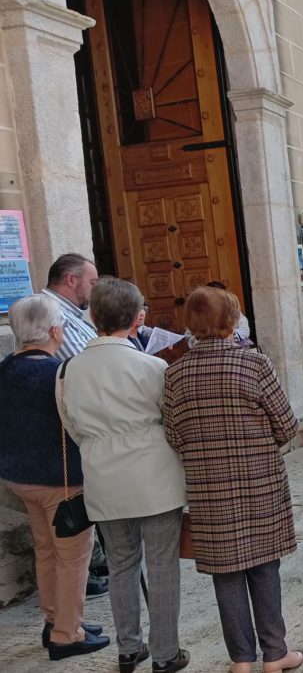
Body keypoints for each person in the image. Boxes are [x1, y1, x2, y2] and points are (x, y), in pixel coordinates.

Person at [164, 287, 303, 673]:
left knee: (225, 573)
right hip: (259, 481)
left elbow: (174, 436)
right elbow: (287, 425)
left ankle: (241, 658)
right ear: (231, 321)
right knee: (264, 567)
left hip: (209, 488)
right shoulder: (254, 364)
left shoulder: (176, 374)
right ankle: (275, 653)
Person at [58, 277, 190, 673]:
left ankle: (129, 648)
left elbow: (73, 427)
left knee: (121, 566)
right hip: (156, 479)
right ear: (137, 318)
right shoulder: (152, 367)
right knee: (163, 565)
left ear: (94, 316)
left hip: (103, 476)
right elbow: (172, 422)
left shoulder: (68, 371)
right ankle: (166, 652)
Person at [0, 296, 110, 661]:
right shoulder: (61, 373)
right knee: (72, 558)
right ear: (54, 331)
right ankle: (66, 634)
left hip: (19, 477)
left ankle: (56, 620)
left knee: (46, 551)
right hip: (60, 481)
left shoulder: (5, 370)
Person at [40, 253, 109, 599]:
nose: (94, 289)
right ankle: (90, 574)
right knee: (70, 524)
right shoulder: (52, 313)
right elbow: (87, 361)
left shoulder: (67, 311)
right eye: (92, 282)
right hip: (71, 428)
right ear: (71, 280)